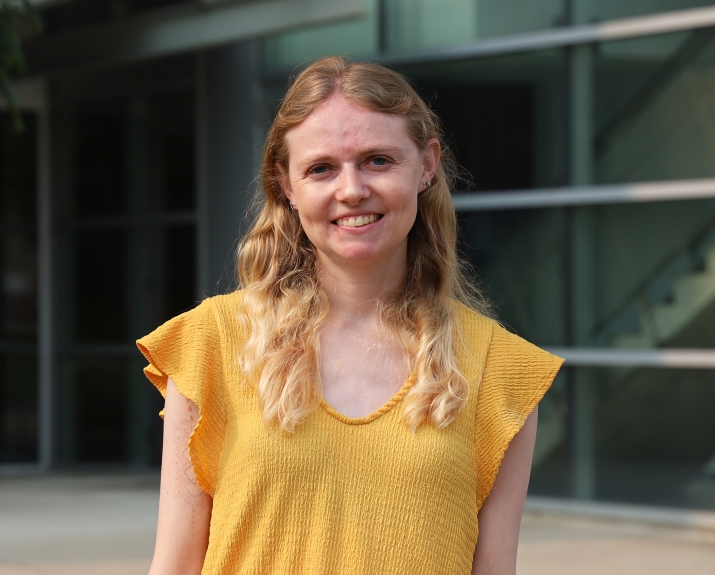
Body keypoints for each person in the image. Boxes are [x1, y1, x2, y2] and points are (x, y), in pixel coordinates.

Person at [137, 56, 563, 575]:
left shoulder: (501, 370)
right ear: (286, 185)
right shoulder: (209, 343)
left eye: (378, 160)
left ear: (427, 165)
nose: (351, 190)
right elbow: (175, 564)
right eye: (321, 168)